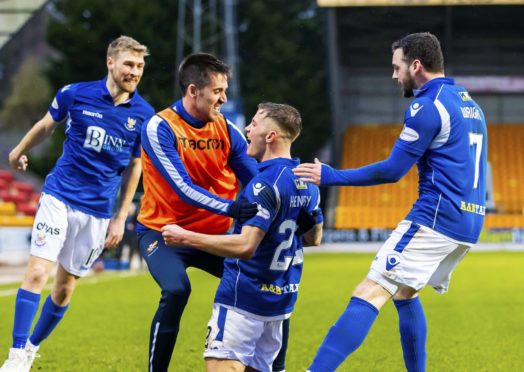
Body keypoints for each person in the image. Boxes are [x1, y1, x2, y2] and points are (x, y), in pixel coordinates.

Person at [293, 32, 487, 372]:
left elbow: (392, 170)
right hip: (469, 223)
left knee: (370, 290)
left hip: (436, 219)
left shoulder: (427, 105)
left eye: (397, 67)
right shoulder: (467, 102)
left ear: (416, 65)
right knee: (405, 293)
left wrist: (330, 176)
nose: (394, 75)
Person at [0, 36, 154, 372]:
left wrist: (120, 216)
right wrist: (18, 150)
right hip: (59, 196)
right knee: (38, 272)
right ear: (110, 62)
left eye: (140, 66)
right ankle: (15, 357)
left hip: (98, 212)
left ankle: (30, 347)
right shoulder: (75, 93)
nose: (134, 71)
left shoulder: (144, 115)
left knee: (65, 289)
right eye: (129, 64)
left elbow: (135, 167)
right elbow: (46, 125)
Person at [162, 102, 323, 372]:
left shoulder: (263, 184)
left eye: (255, 124)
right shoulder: (308, 182)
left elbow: (245, 246)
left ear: (270, 136)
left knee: (220, 364)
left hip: (243, 300)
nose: (247, 129)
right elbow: (313, 238)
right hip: (280, 303)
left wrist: (185, 237)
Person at [137, 52, 261, 372]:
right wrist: (233, 207)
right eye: (218, 91)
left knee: (260, 283)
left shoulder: (226, 128)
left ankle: (270, 367)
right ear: (194, 91)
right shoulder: (159, 127)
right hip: (164, 234)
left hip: (214, 236)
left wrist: (286, 200)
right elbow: (184, 189)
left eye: (225, 90)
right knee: (177, 289)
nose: (224, 98)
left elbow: (255, 179)